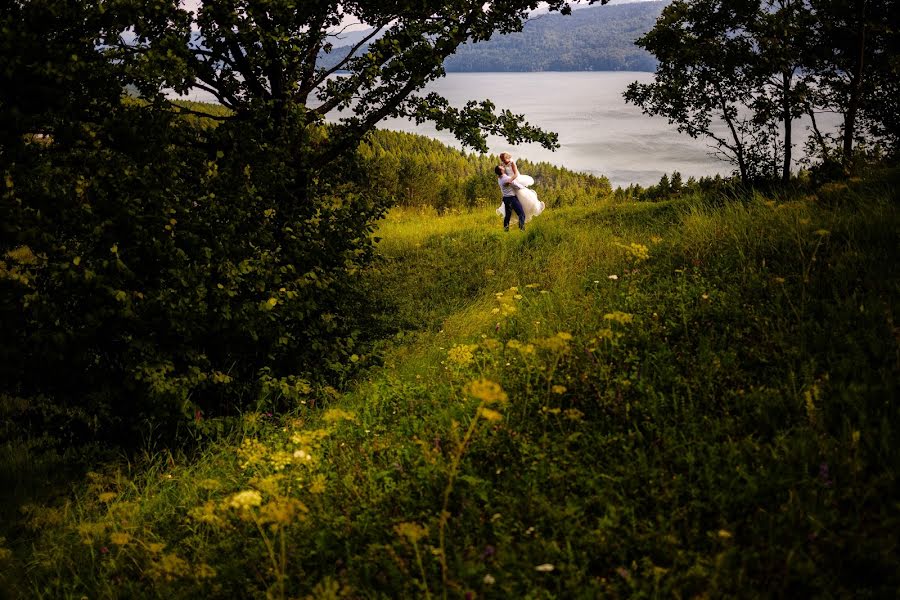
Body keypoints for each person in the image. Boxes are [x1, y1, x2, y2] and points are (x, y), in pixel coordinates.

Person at [496, 153, 545, 224]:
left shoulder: (512, 163)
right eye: (501, 159)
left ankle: (535, 208)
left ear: (506, 157)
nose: (502, 161)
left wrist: (510, 180)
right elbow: (501, 173)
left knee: (525, 198)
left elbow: (515, 174)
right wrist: (504, 179)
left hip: (514, 179)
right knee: (513, 204)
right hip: (509, 183)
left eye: (503, 159)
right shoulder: (502, 164)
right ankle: (518, 223)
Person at [496, 165, 525, 231]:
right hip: (512, 199)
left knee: (507, 216)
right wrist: (523, 187)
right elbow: (517, 186)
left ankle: (506, 230)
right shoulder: (507, 179)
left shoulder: (499, 179)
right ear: (501, 170)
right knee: (521, 214)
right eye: (502, 167)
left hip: (506, 199)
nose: (503, 167)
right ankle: (522, 229)